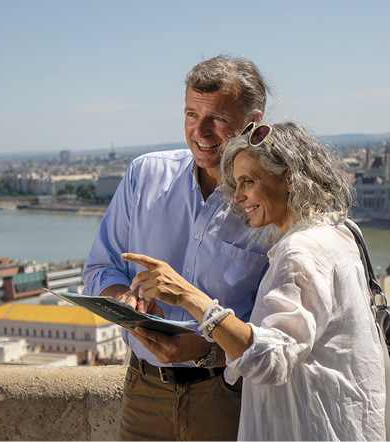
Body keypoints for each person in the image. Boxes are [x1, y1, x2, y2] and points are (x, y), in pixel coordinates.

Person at [123, 122, 387, 441]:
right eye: (236, 183)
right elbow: (294, 345)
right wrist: (204, 351)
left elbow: (271, 361)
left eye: (248, 181)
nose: (237, 197)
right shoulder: (339, 232)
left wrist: (189, 297)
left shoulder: (300, 252)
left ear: (290, 179)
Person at [82, 55, 273, 440]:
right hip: (143, 389)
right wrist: (125, 300)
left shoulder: (272, 202)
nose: (199, 131)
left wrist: (202, 351)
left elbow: (277, 338)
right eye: (190, 114)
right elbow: (100, 269)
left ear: (253, 124)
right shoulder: (144, 175)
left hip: (230, 395)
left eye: (216, 118)